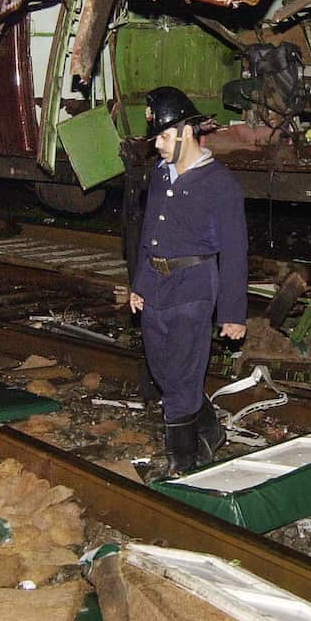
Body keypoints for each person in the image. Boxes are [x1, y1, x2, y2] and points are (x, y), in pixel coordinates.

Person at [127, 86, 248, 477]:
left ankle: (183, 463)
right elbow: (149, 235)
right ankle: (209, 429)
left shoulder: (220, 184)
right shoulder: (161, 175)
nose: (157, 145)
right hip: (158, 285)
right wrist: (140, 284)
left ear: (185, 131)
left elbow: (234, 252)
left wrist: (232, 313)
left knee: (181, 375)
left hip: (194, 286)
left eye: (163, 137)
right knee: (163, 370)